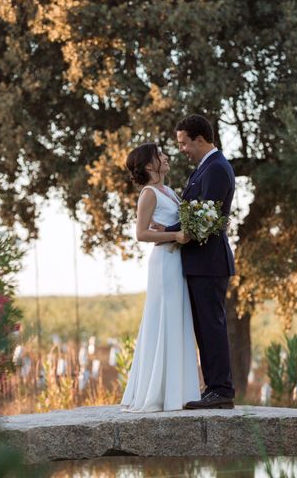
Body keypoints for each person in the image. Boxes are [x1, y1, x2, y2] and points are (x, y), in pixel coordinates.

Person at [154, 114, 236, 410]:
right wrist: (173, 228)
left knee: (212, 325)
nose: (181, 149)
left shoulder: (215, 169)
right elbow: (197, 211)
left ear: (200, 140)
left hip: (209, 261)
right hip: (201, 262)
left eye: (184, 143)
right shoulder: (205, 168)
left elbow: (205, 217)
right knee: (204, 326)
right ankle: (214, 386)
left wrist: (174, 231)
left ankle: (221, 389)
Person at [120, 143, 201, 412]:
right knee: (164, 318)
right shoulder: (149, 194)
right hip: (164, 261)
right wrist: (175, 236)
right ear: (148, 166)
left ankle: (177, 391)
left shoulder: (170, 191)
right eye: (159, 155)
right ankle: (158, 392)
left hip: (177, 259)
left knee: (178, 318)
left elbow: (168, 224)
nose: (166, 157)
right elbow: (141, 234)